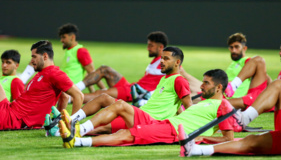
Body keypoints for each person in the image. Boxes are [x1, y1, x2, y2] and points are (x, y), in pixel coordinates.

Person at [59, 69, 236, 148]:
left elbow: (228, 138)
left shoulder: (224, 105)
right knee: (120, 115)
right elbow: (188, 115)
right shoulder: (205, 103)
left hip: (171, 132)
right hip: (166, 124)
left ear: (219, 88)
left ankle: (77, 140)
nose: (201, 86)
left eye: (206, 83)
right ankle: (78, 131)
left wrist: (196, 139)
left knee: (125, 135)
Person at [57, 46, 192, 135]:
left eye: (166, 59)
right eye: (161, 58)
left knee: (104, 126)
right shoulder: (165, 79)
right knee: (104, 99)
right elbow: (178, 106)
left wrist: (185, 128)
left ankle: (69, 130)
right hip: (141, 114)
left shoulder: (179, 80)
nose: (161, 61)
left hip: (147, 120)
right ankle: (71, 121)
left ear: (177, 62)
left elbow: (189, 108)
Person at [0, 40, 84, 130]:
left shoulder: (55, 73)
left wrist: (71, 124)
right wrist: (57, 119)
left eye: (34, 57)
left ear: (45, 56)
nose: (32, 61)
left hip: (11, 118)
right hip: (9, 111)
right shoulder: (41, 73)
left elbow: (79, 95)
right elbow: (64, 96)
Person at [181, 32, 270, 110]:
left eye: (236, 47)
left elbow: (263, 73)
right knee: (183, 79)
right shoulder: (233, 64)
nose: (233, 50)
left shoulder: (247, 61)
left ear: (244, 48)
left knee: (185, 96)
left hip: (229, 96)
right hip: (219, 90)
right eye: (231, 47)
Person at [75, 31, 168, 103]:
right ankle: (75, 89)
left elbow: (180, 74)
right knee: (104, 69)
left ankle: (71, 97)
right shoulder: (156, 60)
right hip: (132, 87)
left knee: (101, 94)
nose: (148, 48)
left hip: (135, 93)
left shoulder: (165, 62)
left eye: (151, 46)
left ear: (161, 47)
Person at [19, 24, 105, 93]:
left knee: (28, 88)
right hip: (60, 83)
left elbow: (93, 74)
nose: (61, 40)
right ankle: (21, 82)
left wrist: (104, 90)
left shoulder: (81, 51)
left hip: (67, 89)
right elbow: (86, 74)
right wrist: (92, 91)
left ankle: (20, 82)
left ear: (72, 37)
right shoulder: (70, 51)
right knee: (36, 60)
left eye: (64, 37)